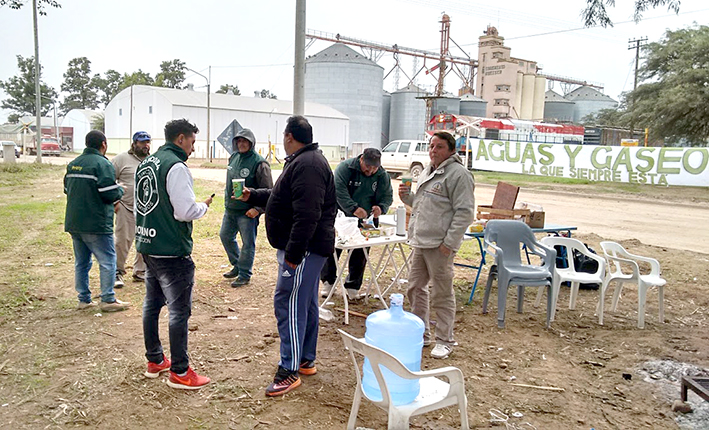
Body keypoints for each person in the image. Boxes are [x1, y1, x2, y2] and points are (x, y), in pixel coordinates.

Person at [240, 115, 336, 397]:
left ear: (289, 136)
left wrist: (293, 253)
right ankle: (305, 359)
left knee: (288, 302)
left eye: (284, 135)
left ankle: (289, 369)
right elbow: (282, 197)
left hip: (303, 249)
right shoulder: (304, 161)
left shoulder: (308, 164)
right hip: (305, 247)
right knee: (304, 303)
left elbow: (308, 214)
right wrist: (254, 195)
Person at [135, 119, 213, 390]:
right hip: (170, 249)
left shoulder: (147, 163)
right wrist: (202, 207)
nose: (192, 149)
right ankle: (180, 371)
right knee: (178, 311)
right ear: (181, 139)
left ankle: (155, 359)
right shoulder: (176, 167)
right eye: (192, 142)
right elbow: (184, 211)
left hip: (148, 244)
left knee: (152, 304)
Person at [398, 131, 475, 359]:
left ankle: (445, 339)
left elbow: (465, 212)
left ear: (451, 150)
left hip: (440, 245)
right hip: (421, 241)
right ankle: (422, 333)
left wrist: (449, 243)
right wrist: (407, 199)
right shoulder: (427, 171)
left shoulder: (458, 175)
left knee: (442, 292)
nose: (433, 150)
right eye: (431, 146)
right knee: (415, 287)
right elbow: (424, 204)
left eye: (439, 147)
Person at [64, 130, 129, 312]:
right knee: (108, 260)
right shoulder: (102, 164)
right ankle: (108, 299)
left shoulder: (73, 164)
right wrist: (120, 190)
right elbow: (108, 193)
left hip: (75, 222)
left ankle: (84, 299)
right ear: (103, 144)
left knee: (82, 262)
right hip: (96, 223)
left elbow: (67, 189)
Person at [320, 148, 393, 300]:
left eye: (375, 168)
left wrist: (381, 207)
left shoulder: (381, 175)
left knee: (361, 251)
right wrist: (353, 208)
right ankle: (328, 282)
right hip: (341, 216)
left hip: (368, 219)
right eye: (368, 167)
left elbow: (387, 195)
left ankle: (353, 286)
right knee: (333, 247)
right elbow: (338, 191)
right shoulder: (345, 168)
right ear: (361, 160)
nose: (371, 171)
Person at [220, 128, 273, 287]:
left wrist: (258, 209)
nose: (242, 144)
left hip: (247, 212)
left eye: (245, 141)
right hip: (231, 209)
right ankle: (237, 265)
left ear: (251, 143)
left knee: (248, 243)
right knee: (225, 236)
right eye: (239, 141)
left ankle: (244, 274)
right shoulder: (233, 157)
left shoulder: (260, 163)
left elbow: (269, 190)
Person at [112, 131, 151, 287]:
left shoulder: (151, 160)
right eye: (142, 142)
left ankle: (140, 271)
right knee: (122, 241)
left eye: (147, 142)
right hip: (126, 207)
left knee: (145, 241)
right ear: (134, 144)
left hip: (146, 210)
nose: (145, 145)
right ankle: (117, 273)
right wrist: (115, 201)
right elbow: (108, 179)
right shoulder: (121, 159)